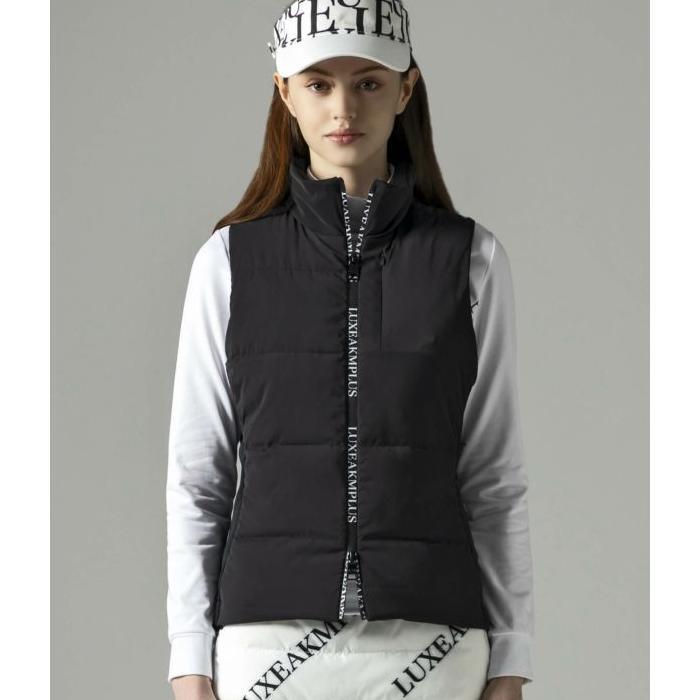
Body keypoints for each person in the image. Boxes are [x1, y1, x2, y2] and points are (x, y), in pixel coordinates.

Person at [166, 2, 535, 699]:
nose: (343, 107)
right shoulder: (230, 262)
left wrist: (511, 658)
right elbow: (198, 477)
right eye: (318, 84)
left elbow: (492, 475)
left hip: (434, 642)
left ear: (405, 90)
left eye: (368, 82)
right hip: (265, 643)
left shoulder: (470, 261)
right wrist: (190, 662)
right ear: (284, 93)